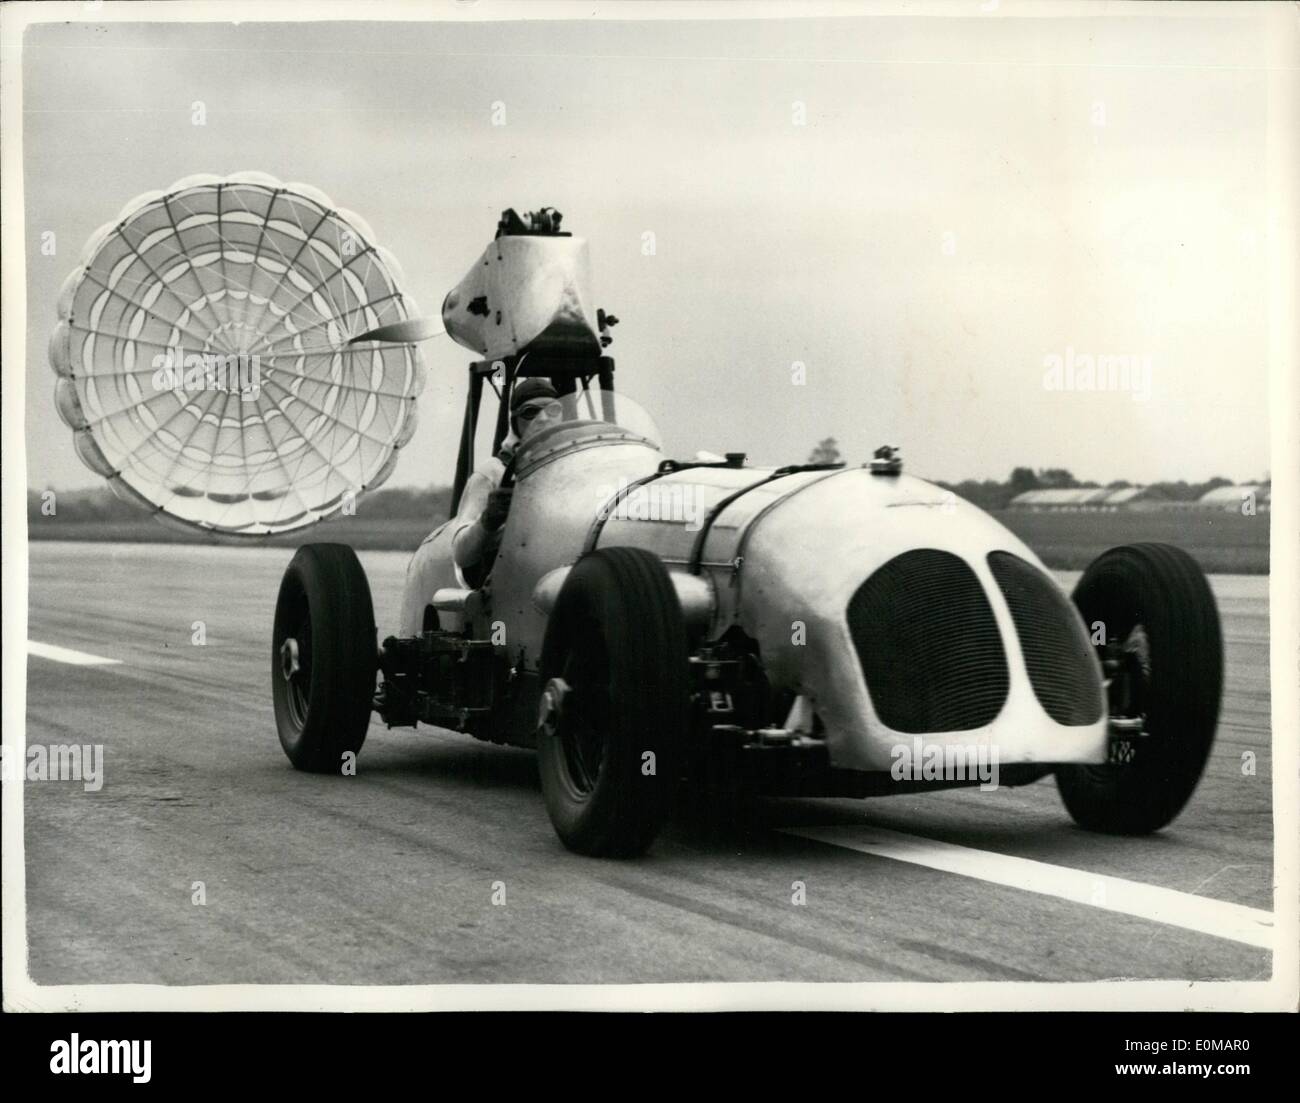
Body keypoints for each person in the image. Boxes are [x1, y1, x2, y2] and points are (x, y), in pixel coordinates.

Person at [452, 376, 561, 582]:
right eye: (531, 412)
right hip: (509, 582)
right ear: (514, 422)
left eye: (553, 410)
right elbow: (461, 554)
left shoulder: (570, 470)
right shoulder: (491, 472)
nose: (544, 419)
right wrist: (488, 520)